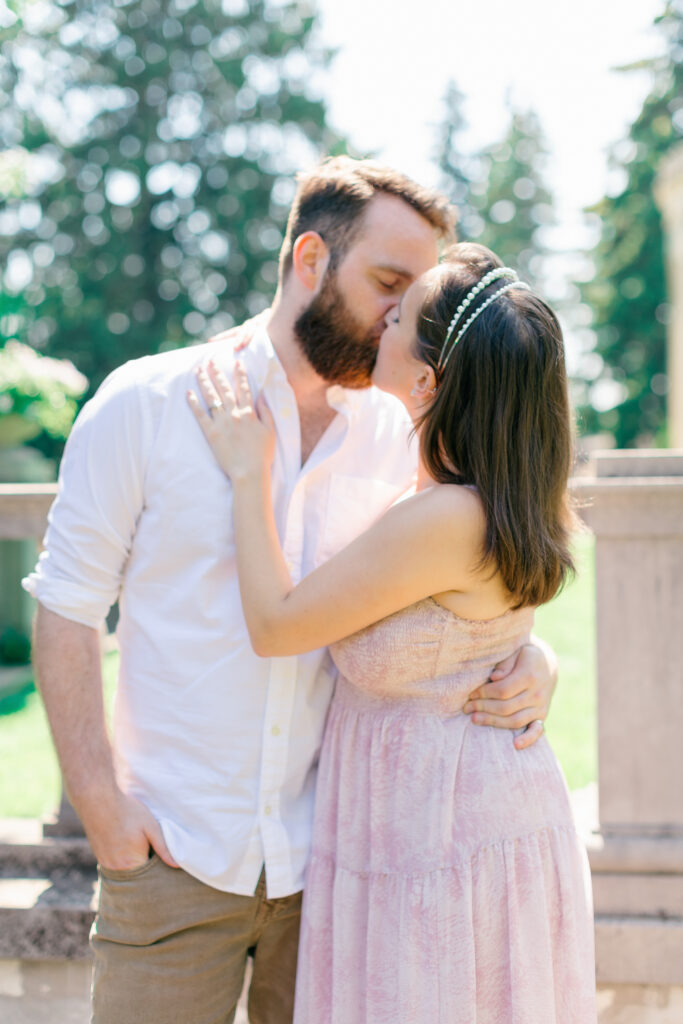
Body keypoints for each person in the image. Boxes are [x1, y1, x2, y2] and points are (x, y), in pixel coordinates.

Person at [25, 159, 559, 1024]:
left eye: (411, 296)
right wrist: (102, 807)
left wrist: (530, 656)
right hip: (171, 857)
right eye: (386, 282)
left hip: (339, 871)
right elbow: (67, 604)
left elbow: (464, 572)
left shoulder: (405, 425)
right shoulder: (146, 402)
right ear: (310, 259)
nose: (399, 315)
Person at [188, 241, 596, 1023]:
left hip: (441, 840)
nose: (382, 318)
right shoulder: (482, 494)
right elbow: (465, 631)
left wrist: (249, 471)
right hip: (434, 823)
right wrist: (534, 657)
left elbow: (277, 625)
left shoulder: (444, 516)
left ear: (427, 382)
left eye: (401, 315)